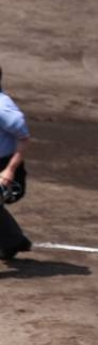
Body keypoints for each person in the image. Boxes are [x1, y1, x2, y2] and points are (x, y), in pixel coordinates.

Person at [0, 64, 32, 260]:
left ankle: (12, 240)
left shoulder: (3, 109)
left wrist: (10, 170)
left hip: (5, 167)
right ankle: (13, 241)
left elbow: (24, 138)